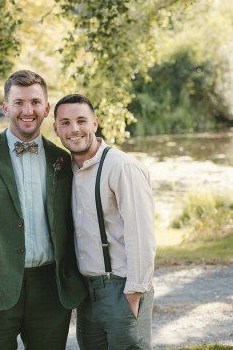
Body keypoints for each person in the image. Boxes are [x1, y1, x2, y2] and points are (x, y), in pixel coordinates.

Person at [0, 70, 86, 350]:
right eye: (18, 102)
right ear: (5, 108)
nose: (27, 110)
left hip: (50, 288)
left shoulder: (62, 159)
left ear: (46, 108)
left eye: (34, 102)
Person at [53, 93, 156, 350]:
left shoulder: (121, 167)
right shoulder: (68, 169)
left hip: (122, 286)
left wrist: (134, 292)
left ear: (95, 123)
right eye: (65, 123)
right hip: (86, 292)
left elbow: (141, 235)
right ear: (56, 129)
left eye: (81, 120)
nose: (74, 129)